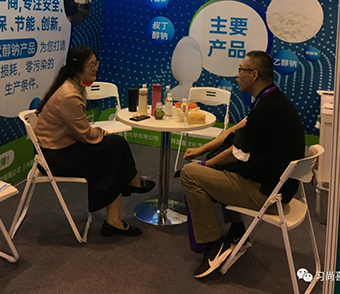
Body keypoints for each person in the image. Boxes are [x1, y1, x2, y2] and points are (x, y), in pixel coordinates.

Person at [181, 50, 305, 279]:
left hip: (268, 196)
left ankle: (213, 245)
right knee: (217, 167)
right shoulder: (272, 100)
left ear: (254, 74)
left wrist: (205, 165)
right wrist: (201, 151)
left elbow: (235, 153)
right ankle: (237, 231)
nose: (237, 75)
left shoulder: (267, 110)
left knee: (190, 174)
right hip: (279, 188)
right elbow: (235, 131)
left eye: (241, 70)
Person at [35, 45, 155, 237]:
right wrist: (102, 133)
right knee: (115, 148)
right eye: (91, 65)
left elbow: (82, 132)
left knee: (115, 149)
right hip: (53, 157)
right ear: (78, 67)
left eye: (96, 63)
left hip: (63, 146)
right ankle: (128, 186)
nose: (96, 68)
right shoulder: (69, 95)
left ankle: (118, 210)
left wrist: (100, 135)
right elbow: (86, 134)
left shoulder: (74, 86)